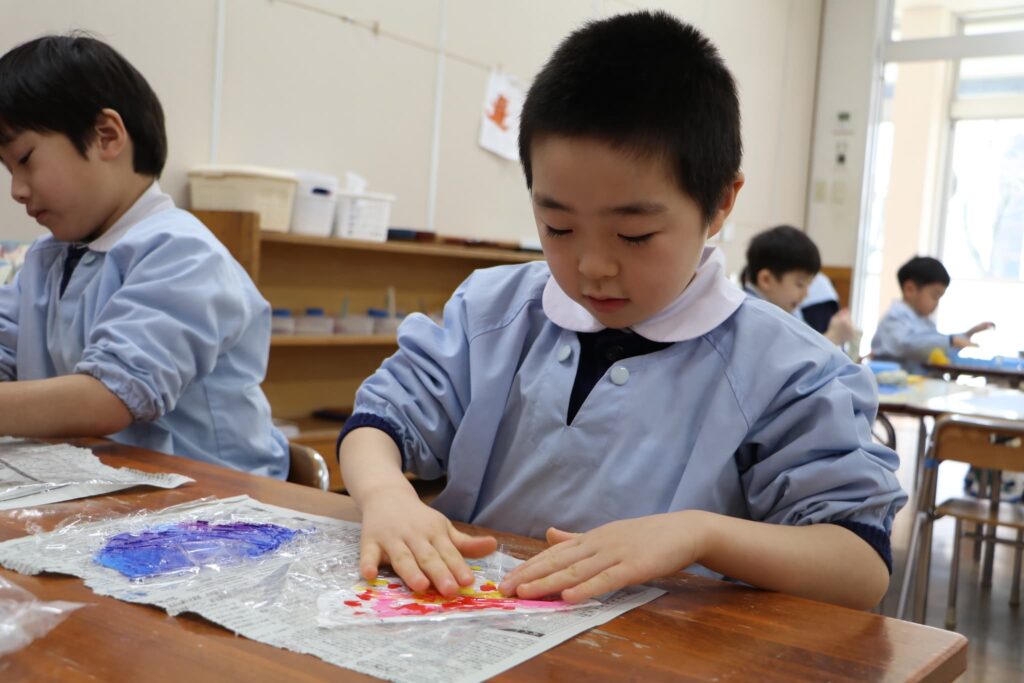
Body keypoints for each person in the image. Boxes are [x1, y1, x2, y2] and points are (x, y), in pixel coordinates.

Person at [338, 12, 906, 610]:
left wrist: (701, 534)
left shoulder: (787, 369)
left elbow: (860, 567)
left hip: (668, 646)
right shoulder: (494, 313)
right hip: (466, 624)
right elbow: (380, 419)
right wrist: (385, 494)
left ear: (720, 203)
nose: (593, 266)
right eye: (557, 227)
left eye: (634, 235)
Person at [0, 34, 288, 478]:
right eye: (8, 170)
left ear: (106, 136)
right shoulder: (47, 258)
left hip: (220, 496)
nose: (17, 190)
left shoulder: (183, 253)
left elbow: (110, 397)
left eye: (25, 160)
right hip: (109, 485)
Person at [870, 256, 994, 373]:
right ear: (910, 289)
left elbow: (937, 345)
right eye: (934, 296)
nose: (936, 304)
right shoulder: (894, 319)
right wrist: (951, 341)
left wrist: (968, 334)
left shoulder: (924, 321)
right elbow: (909, 345)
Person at [741, 225, 856, 347]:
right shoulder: (753, 317)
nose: (806, 294)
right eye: (800, 284)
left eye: (809, 285)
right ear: (766, 280)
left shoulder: (784, 309)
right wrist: (833, 336)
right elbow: (791, 356)